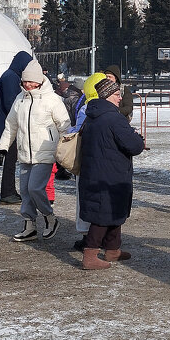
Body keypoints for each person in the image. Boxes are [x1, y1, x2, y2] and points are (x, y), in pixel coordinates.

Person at [0, 59, 70, 242]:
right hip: (25, 153)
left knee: (35, 188)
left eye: (30, 81)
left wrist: (65, 152)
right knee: (26, 191)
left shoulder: (52, 100)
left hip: (45, 152)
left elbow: (65, 126)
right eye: (24, 81)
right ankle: (29, 225)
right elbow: (11, 125)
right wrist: (2, 148)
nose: (27, 84)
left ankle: (49, 217)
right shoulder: (20, 99)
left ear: (40, 80)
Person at [77, 78, 145, 269]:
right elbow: (134, 146)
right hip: (110, 173)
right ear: (106, 96)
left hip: (97, 171)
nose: (120, 98)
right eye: (116, 95)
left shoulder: (93, 115)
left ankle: (113, 249)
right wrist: (137, 138)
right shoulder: (114, 118)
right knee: (104, 214)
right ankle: (90, 255)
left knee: (113, 209)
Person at [70, 73, 109, 252]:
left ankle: (90, 236)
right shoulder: (97, 109)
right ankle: (96, 238)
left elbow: (77, 131)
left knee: (87, 199)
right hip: (99, 161)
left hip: (87, 160)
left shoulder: (85, 108)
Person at [0, 51, 35, 204]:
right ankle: (7, 192)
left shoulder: (10, 75)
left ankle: (9, 191)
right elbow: (11, 104)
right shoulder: (11, 77)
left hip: (5, 126)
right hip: (7, 128)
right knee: (10, 162)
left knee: (10, 161)